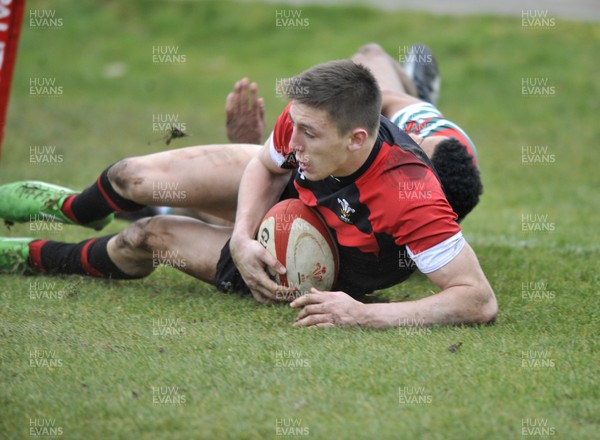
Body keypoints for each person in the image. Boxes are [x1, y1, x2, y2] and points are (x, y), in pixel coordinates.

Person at [0, 45, 497, 328]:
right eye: (294, 125)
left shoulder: (409, 194)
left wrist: (363, 315)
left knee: (144, 238)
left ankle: (33, 256)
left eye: (309, 133)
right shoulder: (307, 120)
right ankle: (76, 207)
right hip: (292, 198)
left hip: (313, 260)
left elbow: (478, 299)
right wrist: (239, 235)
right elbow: (266, 164)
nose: (292, 136)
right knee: (132, 176)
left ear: (357, 139)